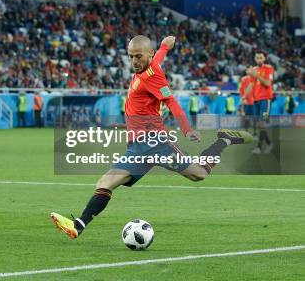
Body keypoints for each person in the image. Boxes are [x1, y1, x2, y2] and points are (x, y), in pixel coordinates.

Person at [49, 35, 252, 239]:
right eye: (131, 57)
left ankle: (224, 139)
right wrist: (165, 46)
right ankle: (78, 226)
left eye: (138, 56)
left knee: (199, 174)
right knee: (105, 182)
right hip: (137, 147)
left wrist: (187, 129)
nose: (134, 61)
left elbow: (171, 102)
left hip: (156, 143)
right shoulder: (148, 65)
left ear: (149, 54)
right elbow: (158, 59)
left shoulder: (153, 76)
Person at [247, 51, 274, 154]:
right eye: (257, 58)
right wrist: (244, 96)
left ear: (264, 59)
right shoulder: (254, 70)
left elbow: (267, 83)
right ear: (255, 59)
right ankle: (269, 143)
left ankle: (259, 147)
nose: (259, 59)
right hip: (256, 100)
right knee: (259, 125)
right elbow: (251, 85)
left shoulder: (268, 68)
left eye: (261, 58)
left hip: (265, 100)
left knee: (262, 124)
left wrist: (256, 75)